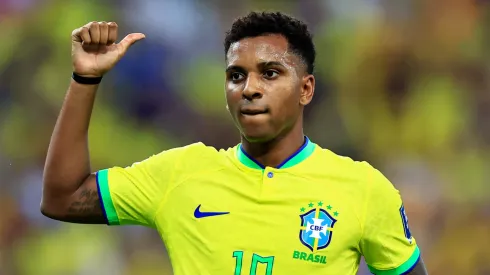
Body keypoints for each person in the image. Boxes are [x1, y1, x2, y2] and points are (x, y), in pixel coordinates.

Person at [41, 11, 428, 275]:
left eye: (271, 73)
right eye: (236, 76)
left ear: (306, 89)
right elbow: (62, 197)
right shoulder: (180, 174)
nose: (250, 89)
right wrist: (85, 79)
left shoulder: (363, 189)